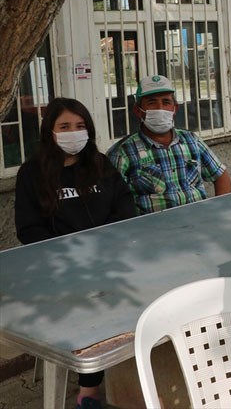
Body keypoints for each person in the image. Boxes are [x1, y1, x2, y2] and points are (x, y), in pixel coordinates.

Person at [14, 98, 136, 409]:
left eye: (80, 126)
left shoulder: (100, 164)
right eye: (65, 126)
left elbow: (124, 204)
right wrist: (70, 255)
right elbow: (29, 229)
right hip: (61, 268)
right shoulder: (31, 173)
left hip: (108, 258)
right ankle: (89, 392)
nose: (74, 133)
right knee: (92, 301)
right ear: (50, 132)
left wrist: (106, 244)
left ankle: (134, 374)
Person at [107, 75, 231, 213]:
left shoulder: (192, 141)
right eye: (152, 102)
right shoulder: (122, 152)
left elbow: (220, 175)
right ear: (138, 111)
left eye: (166, 102)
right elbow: (110, 201)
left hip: (199, 218)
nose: (160, 108)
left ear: (175, 109)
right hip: (154, 225)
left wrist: (221, 210)